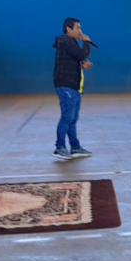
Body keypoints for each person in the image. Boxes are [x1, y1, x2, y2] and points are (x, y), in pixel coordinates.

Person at [52, 17, 94, 160]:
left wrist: (81, 64)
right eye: (78, 28)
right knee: (67, 117)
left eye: (80, 28)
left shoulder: (70, 43)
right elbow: (82, 53)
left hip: (74, 86)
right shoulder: (65, 40)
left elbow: (75, 58)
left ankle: (75, 147)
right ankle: (59, 147)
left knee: (73, 118)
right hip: (66, 85)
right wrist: (86, 42)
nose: (80, 31)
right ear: (69, 29)